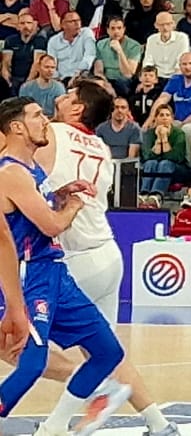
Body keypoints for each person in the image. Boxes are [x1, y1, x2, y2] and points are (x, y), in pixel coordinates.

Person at [36, 79, 177, 436]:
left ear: (78, 108)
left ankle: (78, 405)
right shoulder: (102, 148)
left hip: (72, 259)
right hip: (107, 254)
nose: (61, 98)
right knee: (108, 350)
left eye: (68, 95)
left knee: (16, 341)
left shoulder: (50, 134)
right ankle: (159, 423)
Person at [0, 97, 131, 435]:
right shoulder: (11, 172)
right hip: (31, 275)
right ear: (16, 127)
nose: (45, 120)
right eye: (36, 116)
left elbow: (37, 203)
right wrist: (74, 205)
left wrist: (62, 192)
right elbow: (51, 226)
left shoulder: (31, 168)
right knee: (31, 364)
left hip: (57, 272)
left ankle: (54, 427)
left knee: (108, 353)